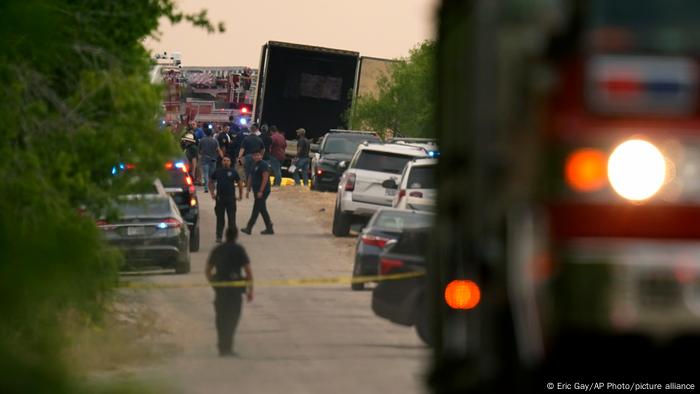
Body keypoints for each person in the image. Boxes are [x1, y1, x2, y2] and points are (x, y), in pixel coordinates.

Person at [205, 227, 253, 356]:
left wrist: (213, 284)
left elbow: (208, 270)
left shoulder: (218, 249)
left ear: (225, 235)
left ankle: (222, 346)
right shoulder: (239, 250)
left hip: (221, 289)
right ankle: (228, 346)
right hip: (235, 289)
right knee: (233, 317)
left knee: (221, 317)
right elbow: (248, 271)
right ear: (236, 236)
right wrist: (250, 290)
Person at [209, 156, 244, 243]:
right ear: (222, 162)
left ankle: (231, 238)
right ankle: (219, 236)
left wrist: (240, 195)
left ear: (230, 162)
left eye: (228, 161)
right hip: (220, 198)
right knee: (220, 219)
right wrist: (212, 193)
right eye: (224, 160)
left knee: (232, 219)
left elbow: (239, 183)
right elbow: (211, 181)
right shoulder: (217, 171)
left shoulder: (233, 172)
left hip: (231, 198)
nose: (226, 162)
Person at [241, 149, 274, 235]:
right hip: (256, 190)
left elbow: (265, 178)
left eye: (258, 155)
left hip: (263, 190)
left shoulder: (264, 165)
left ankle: (249, 228)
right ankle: (269, 227)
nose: (256, 157)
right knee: (262, 208)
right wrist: (248, 189)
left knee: (256, 208)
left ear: (261, 156)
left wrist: (261, 190)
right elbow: (250, 177)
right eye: (254, 155)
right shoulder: (253, 164)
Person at [199, 128, 222, 193]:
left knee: (205, 174)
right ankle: (212, 187)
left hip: (204, 159)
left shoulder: (202, 140)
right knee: (212, 174)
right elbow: (218, 149)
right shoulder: (215, 140)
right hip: (213, 159)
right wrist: (222, 157)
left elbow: (199, 150)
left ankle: (206, 188)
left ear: (205, 133)